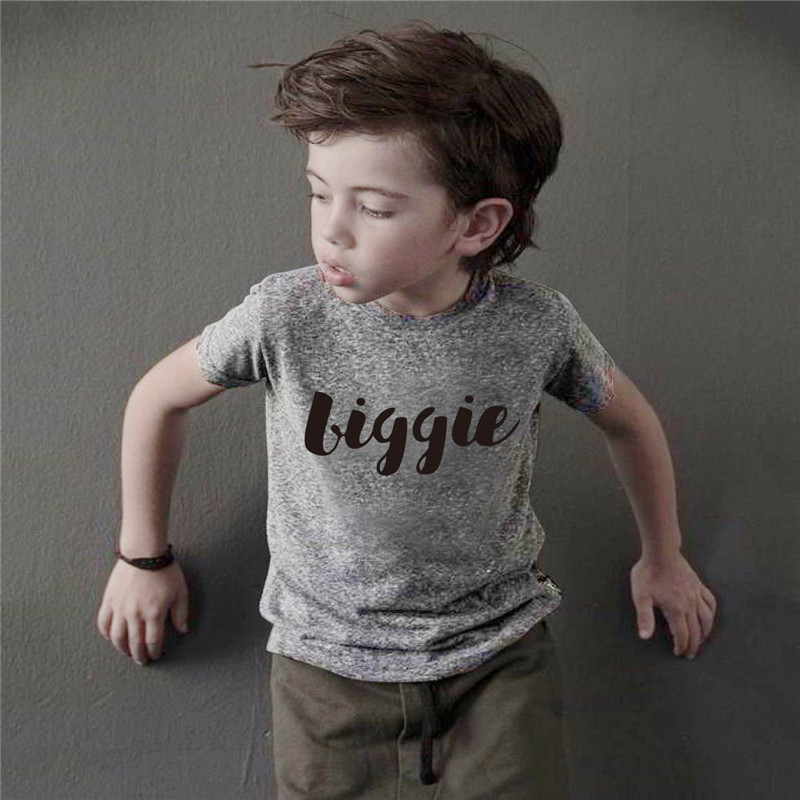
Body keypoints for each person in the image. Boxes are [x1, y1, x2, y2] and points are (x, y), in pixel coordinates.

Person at [97, 21, 717, 799]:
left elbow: (632, 422)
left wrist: (663, 556)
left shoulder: (536, 327)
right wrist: (143, 558)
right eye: (319, 193)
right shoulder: (285, 316)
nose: (332, 230)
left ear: (477, 224)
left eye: (375, 208)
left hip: (497, 658)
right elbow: (157, 399)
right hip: (325, 670)